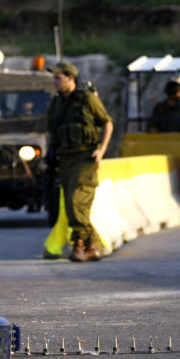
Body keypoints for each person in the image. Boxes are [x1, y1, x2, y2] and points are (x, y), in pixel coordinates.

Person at [46, 61, 113, 262]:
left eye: (58, 78)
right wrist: (50, 154)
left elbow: (107, 123)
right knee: (72, 205)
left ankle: (79, 244)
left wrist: (101, 150)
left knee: (76, 201)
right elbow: (50, 130)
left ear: (70, 78)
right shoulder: (56, 103)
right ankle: (92, 246)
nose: (55, 82)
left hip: (85, 158)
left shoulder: (87, 99)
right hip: (65, 159)